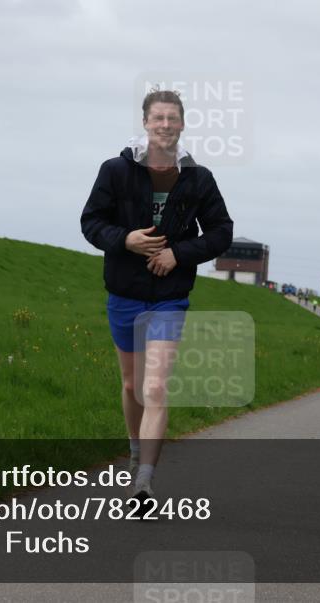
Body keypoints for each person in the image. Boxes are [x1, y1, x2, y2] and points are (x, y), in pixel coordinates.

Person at [80, 89, 233, 505]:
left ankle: (144, 483)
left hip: (169, 298)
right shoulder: (115, 170)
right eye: (158, 118)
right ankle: (135, 452)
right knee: (131, 385)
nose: (165, 125)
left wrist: (178, 254)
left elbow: (222, 232)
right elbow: (91, 222)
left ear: (181, 125)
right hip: (125, 294)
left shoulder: (198, 178)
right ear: (146, 123)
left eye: (172, 119)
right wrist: (124, 239)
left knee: (156, 387)